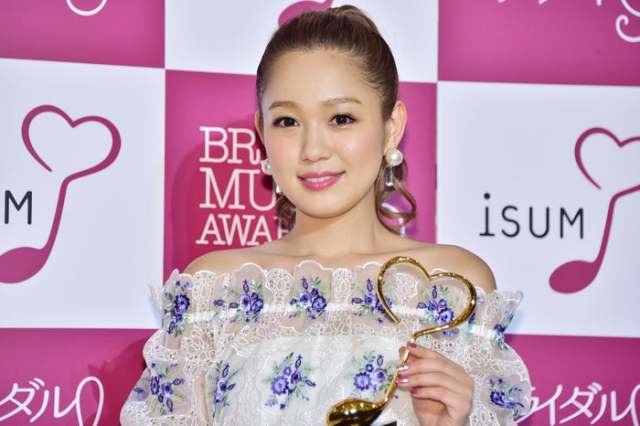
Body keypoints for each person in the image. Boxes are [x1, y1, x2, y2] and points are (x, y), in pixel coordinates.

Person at [120, 5, 532, 425]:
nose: (313, 149)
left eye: (341, 118)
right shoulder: (212, 292)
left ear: (391, 127)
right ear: (262, 133)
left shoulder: (449, 287)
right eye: (287, 121)